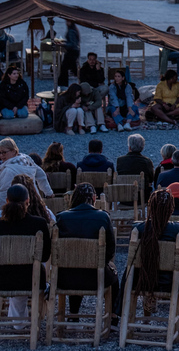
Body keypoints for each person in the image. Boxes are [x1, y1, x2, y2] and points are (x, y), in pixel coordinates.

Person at [56, 183, 119, 326]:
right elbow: (110, 249)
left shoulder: (61, 217)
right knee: (114, 276)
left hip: (65, 278)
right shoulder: (103, 217)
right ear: (94, 198)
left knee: (74, 264)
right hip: (95, 277)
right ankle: (113, 315)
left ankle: (73, 314)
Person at [129, 189, 179, 333]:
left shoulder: (137, 228)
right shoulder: (178, 229)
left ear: (150, 207)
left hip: (142, 281)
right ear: (171, 208)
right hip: (169, 281)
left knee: (148, 270)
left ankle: (146, 318)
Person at [0, 184, 51, 322]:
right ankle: (26, 322)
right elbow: (45, 256)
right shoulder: (38, 224)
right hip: (31, 278)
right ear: (28, 201)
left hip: (2, 279)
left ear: (7, 201)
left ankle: (18, 322)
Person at [0, 138, 51, 203]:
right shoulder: (27, 160)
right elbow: (41, 175)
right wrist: (48, 192)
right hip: (35, 201)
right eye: (0, 153)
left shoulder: (9, 170)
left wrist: (3, 210)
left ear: (14, 151)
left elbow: (4, 193)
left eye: (4, 152)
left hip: (17, 205)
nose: (1, 155)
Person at [116, 134, 155, 198]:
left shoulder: (120, 160)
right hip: (142, 197)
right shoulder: (147, 161)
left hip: (124, 196)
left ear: (129, 147)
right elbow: (151, 179)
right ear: (142, 147)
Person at [57, 20, 81, 88]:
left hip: (71, 52)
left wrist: (63, 44)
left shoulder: (71, 31)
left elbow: (72, 44)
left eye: (68, 22)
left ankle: (62, 85)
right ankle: (80, 80)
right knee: (71, 68)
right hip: (74, 52)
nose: (66, 23)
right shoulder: (74, 30)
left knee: (64, 68)